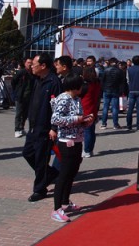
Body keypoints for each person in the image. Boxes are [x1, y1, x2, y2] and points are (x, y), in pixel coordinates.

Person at [50, 74, 94, 222]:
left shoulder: (76, 99)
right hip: (66, 140)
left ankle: (65, 202)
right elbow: (56, 119)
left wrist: (85, 121)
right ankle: (56, 209)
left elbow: (77, 119)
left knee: (72, 172)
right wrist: (77, 119)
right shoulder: (64, 98)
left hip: (77, 138)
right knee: (64, 174)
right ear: (75, 86)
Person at [22, 53, 62, 202]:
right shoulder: (38, 80)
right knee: (27, 153)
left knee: (41, 160)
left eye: (34, 64)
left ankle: (39, 189)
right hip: (34, 125)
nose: (32, 66)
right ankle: (50, 174)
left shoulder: (54, 82)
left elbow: (58, 108)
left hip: (45, 128)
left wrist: (54, 127)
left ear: (43, 66)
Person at [80, 66, 101, 158]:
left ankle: (87, 150)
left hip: (86, 109)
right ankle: (90, 149)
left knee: (87, 131)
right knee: (91, 131)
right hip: (93, 109)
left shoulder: (85, 85)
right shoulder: (96, 83)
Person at [100, 58, 126, 130]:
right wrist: (121, 91)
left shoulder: (106, 70)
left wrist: (103, 88)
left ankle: (103, 124)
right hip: (115, 90)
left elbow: (102, 81)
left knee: (105, 107)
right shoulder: (120, 71)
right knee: (115, 108)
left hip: (106, 90)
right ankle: (115, 124)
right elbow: (122, 82)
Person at [11, 58, 34, 138]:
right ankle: (17, 129)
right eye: (28, 62)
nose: (30, 64)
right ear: (25, 63)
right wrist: (17, 90)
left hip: (29, 97)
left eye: (31, 63)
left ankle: (22, 128)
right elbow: (13, 81)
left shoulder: (33, 73)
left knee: (25, 114)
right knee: (19, 113)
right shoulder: (21, 72)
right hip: (20, 96)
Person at [126, 55, 139, 131]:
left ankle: (129, 125)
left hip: (131, 90)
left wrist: (130, 85)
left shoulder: (129, 69)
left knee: (130, 109)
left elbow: (128, 80)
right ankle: (138, 125)